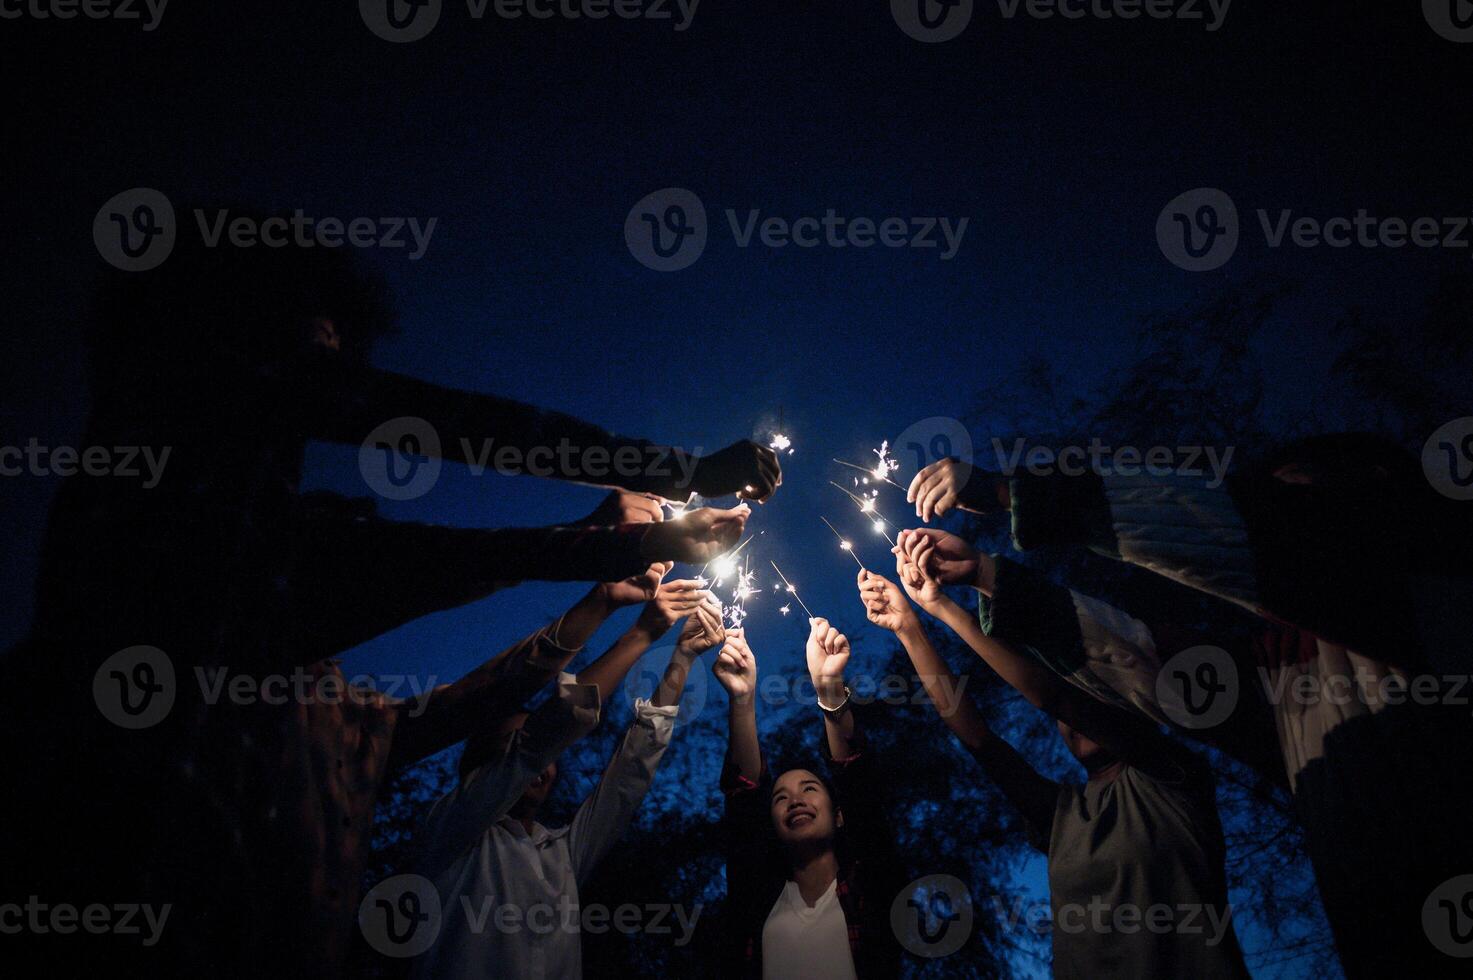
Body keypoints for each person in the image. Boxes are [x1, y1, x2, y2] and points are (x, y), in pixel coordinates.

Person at [2, 228, 776, 975]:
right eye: (310, 344)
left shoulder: (311, 697)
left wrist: (608, 559)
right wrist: (672, 479)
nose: (326, 371)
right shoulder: (166, 532)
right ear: (211, 324)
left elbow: (463, 682)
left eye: (333, 352)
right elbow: (453, 456)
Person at [900, 441, 1473, 978]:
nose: (1274, 515)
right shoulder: (1275, 684)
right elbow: (1134, 654)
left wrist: (1015, 497)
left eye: (1293, 495)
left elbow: (1265, 541)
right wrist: (974, 582)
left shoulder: (1435, 593)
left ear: (1373, 486)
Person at [859, 562, 1249, 979]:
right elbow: (978, 739)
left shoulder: (1173, 777)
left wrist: (946, 609)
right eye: (1066, 716)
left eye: (1084, 703)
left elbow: (1052, 697)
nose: (1072, 720)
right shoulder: (1062, 816)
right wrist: (910, 629)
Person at [410, 579, 724, 980]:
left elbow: (629, 777)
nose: (542, 765)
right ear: (480, 765)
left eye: (547, 757)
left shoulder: (561, 853)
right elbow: (542, 740)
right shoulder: (450, 831)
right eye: (512, 744)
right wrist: (643, 632)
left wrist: (682, 657)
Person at [711, 620, 906, 980]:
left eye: (810, 789)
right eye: (780, 798)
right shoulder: (757, 899)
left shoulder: (872, 889)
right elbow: (744, 794)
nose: (795, 801)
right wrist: (741, 700)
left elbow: (857, 781)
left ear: (840, 816)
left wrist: (830, 690)